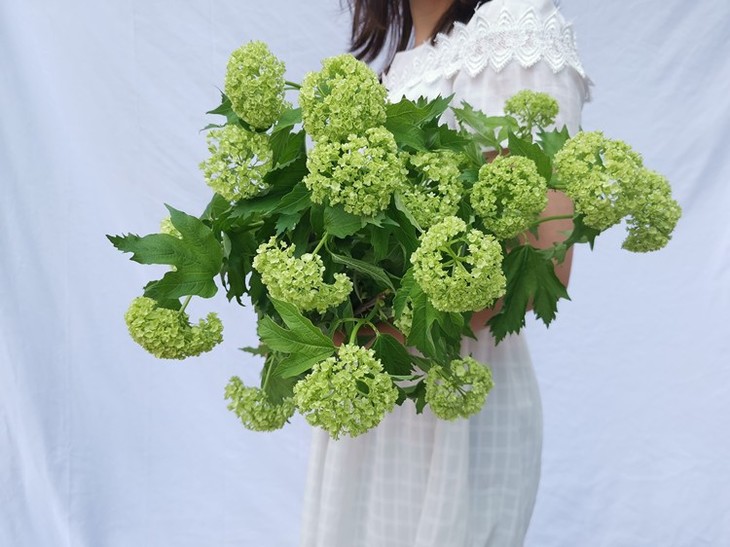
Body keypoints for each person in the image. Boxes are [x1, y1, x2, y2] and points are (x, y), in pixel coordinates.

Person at [300, 1, 591, 545]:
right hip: (371, 403)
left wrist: (362, 338)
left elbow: (538, 260)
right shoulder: (397, 65)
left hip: (451, 404)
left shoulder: (515, 28)